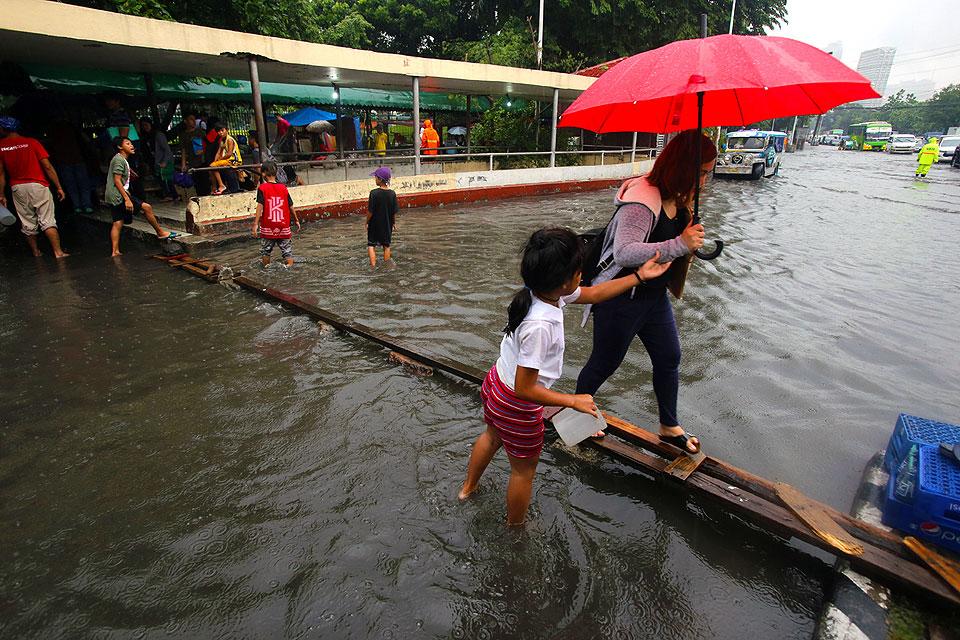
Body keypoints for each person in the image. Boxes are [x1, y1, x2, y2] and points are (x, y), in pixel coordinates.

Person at [459, 228, 671, 525]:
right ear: (564, 279)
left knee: (491, 436)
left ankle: (467, 490)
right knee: (523, 471)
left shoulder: (541, 293)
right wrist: (572, 401)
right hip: (515, 403)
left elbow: (595, 293)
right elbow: (525, 388)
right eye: (579, 271)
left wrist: (639, 277)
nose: (582, 275)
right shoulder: (541, 325)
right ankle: (515, 530)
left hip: (495, 383)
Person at [574, 130, 715, 454]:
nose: (706, 180)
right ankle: (577, 416)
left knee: (669, 356)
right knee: (604, 363)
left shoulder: (679, 199)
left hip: (653, 296)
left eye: (708, 172)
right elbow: (625, 252)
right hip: (621, 296)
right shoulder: (642, 199)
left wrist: (689, 238)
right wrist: (679, 244)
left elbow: (672, 248)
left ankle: (668, 425)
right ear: (684, 167)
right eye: (703, 172)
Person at [0, 116, 69, 258]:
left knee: (27, 221)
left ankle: (36, 252)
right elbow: (47, 167)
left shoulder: (1, 146)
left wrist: (2, 194)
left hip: (17, 187)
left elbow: (1, 174)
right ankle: (58, 252)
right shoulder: (32, 142)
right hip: (38, 185)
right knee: (47, 219)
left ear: (3, 129)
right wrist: (59, 187)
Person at [106, 136, 176, 256]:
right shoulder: (119, 160)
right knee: (147, 207)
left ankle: (115, 251)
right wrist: (127, 199)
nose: (131, 145)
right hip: (119, 195)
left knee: (118, 222)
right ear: (119, 147)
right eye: (127, 143)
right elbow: (117, 180)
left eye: (131, 143)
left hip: (113, 195)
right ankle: (160, 232)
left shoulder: (120, 159)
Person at [251, 160, 300, 267]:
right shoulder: (283, 188)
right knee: (287, 252)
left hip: (268, 227)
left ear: (263, 173)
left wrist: (255, 224)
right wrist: (296, 220)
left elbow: (260, 206)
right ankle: (289, 269)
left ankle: (266, 270)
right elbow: (290, 206)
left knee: (266, 251)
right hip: (283, 227)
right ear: (276, 172)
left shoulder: (262, 188)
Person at [45, 118, 94, 213]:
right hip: (77, 160)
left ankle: (77, 206)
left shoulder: (54, 132)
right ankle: (86, 205)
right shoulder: (73, 130)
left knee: (71, 185)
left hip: (64, 161)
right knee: (83, 184)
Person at [366, 166, 398, 268]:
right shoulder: (392, 194)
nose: (375, 179)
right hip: (387, 224)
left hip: (374, 224)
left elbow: (370, 211)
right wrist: (393, 223)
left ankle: (373, 266)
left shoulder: (374, 193)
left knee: (371, 245)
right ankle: (387, 265)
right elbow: (393, 212)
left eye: (376, 177)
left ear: (380, 179)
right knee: (386, 245)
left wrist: (366, 222)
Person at [139, 118, 177, 201]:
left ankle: (172, 195)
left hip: (164, 160)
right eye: (143, 126)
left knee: (167, 179)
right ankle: (168, 195)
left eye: (146, 125)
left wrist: (165, 162)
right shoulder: (146, 137)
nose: (145, 127)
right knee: (161, 179)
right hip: (156, 161)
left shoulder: (158, 135)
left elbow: (167, 150)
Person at [209, 124, 242, 194]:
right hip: (227, 160)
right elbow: (218, 152)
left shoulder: (229, 140)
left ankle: (221, 185)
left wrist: (219, 160)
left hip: (234, 160)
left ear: (227, 130)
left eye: (222, 130)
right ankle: (214, 187)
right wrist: (215, 161)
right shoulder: (222, 141)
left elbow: (229, 154)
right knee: (211, 167)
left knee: (212, 166)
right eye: (218, 131)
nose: (220, 132)